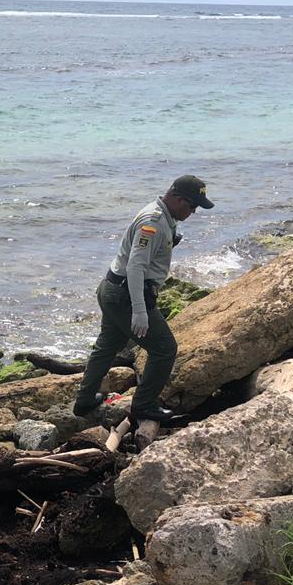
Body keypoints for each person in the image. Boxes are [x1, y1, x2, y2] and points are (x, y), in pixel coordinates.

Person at [73, 175, 214, 422]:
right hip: (127, 295)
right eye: (192, 206)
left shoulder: (162, 216)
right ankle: (144, 405)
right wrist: (139, 310)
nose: (193, 212)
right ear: (178, 198)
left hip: (111, 288)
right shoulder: (154, 222)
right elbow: (136, 267)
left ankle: (84, 402)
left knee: (107, 346)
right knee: (164, 349)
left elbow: (142, 256)